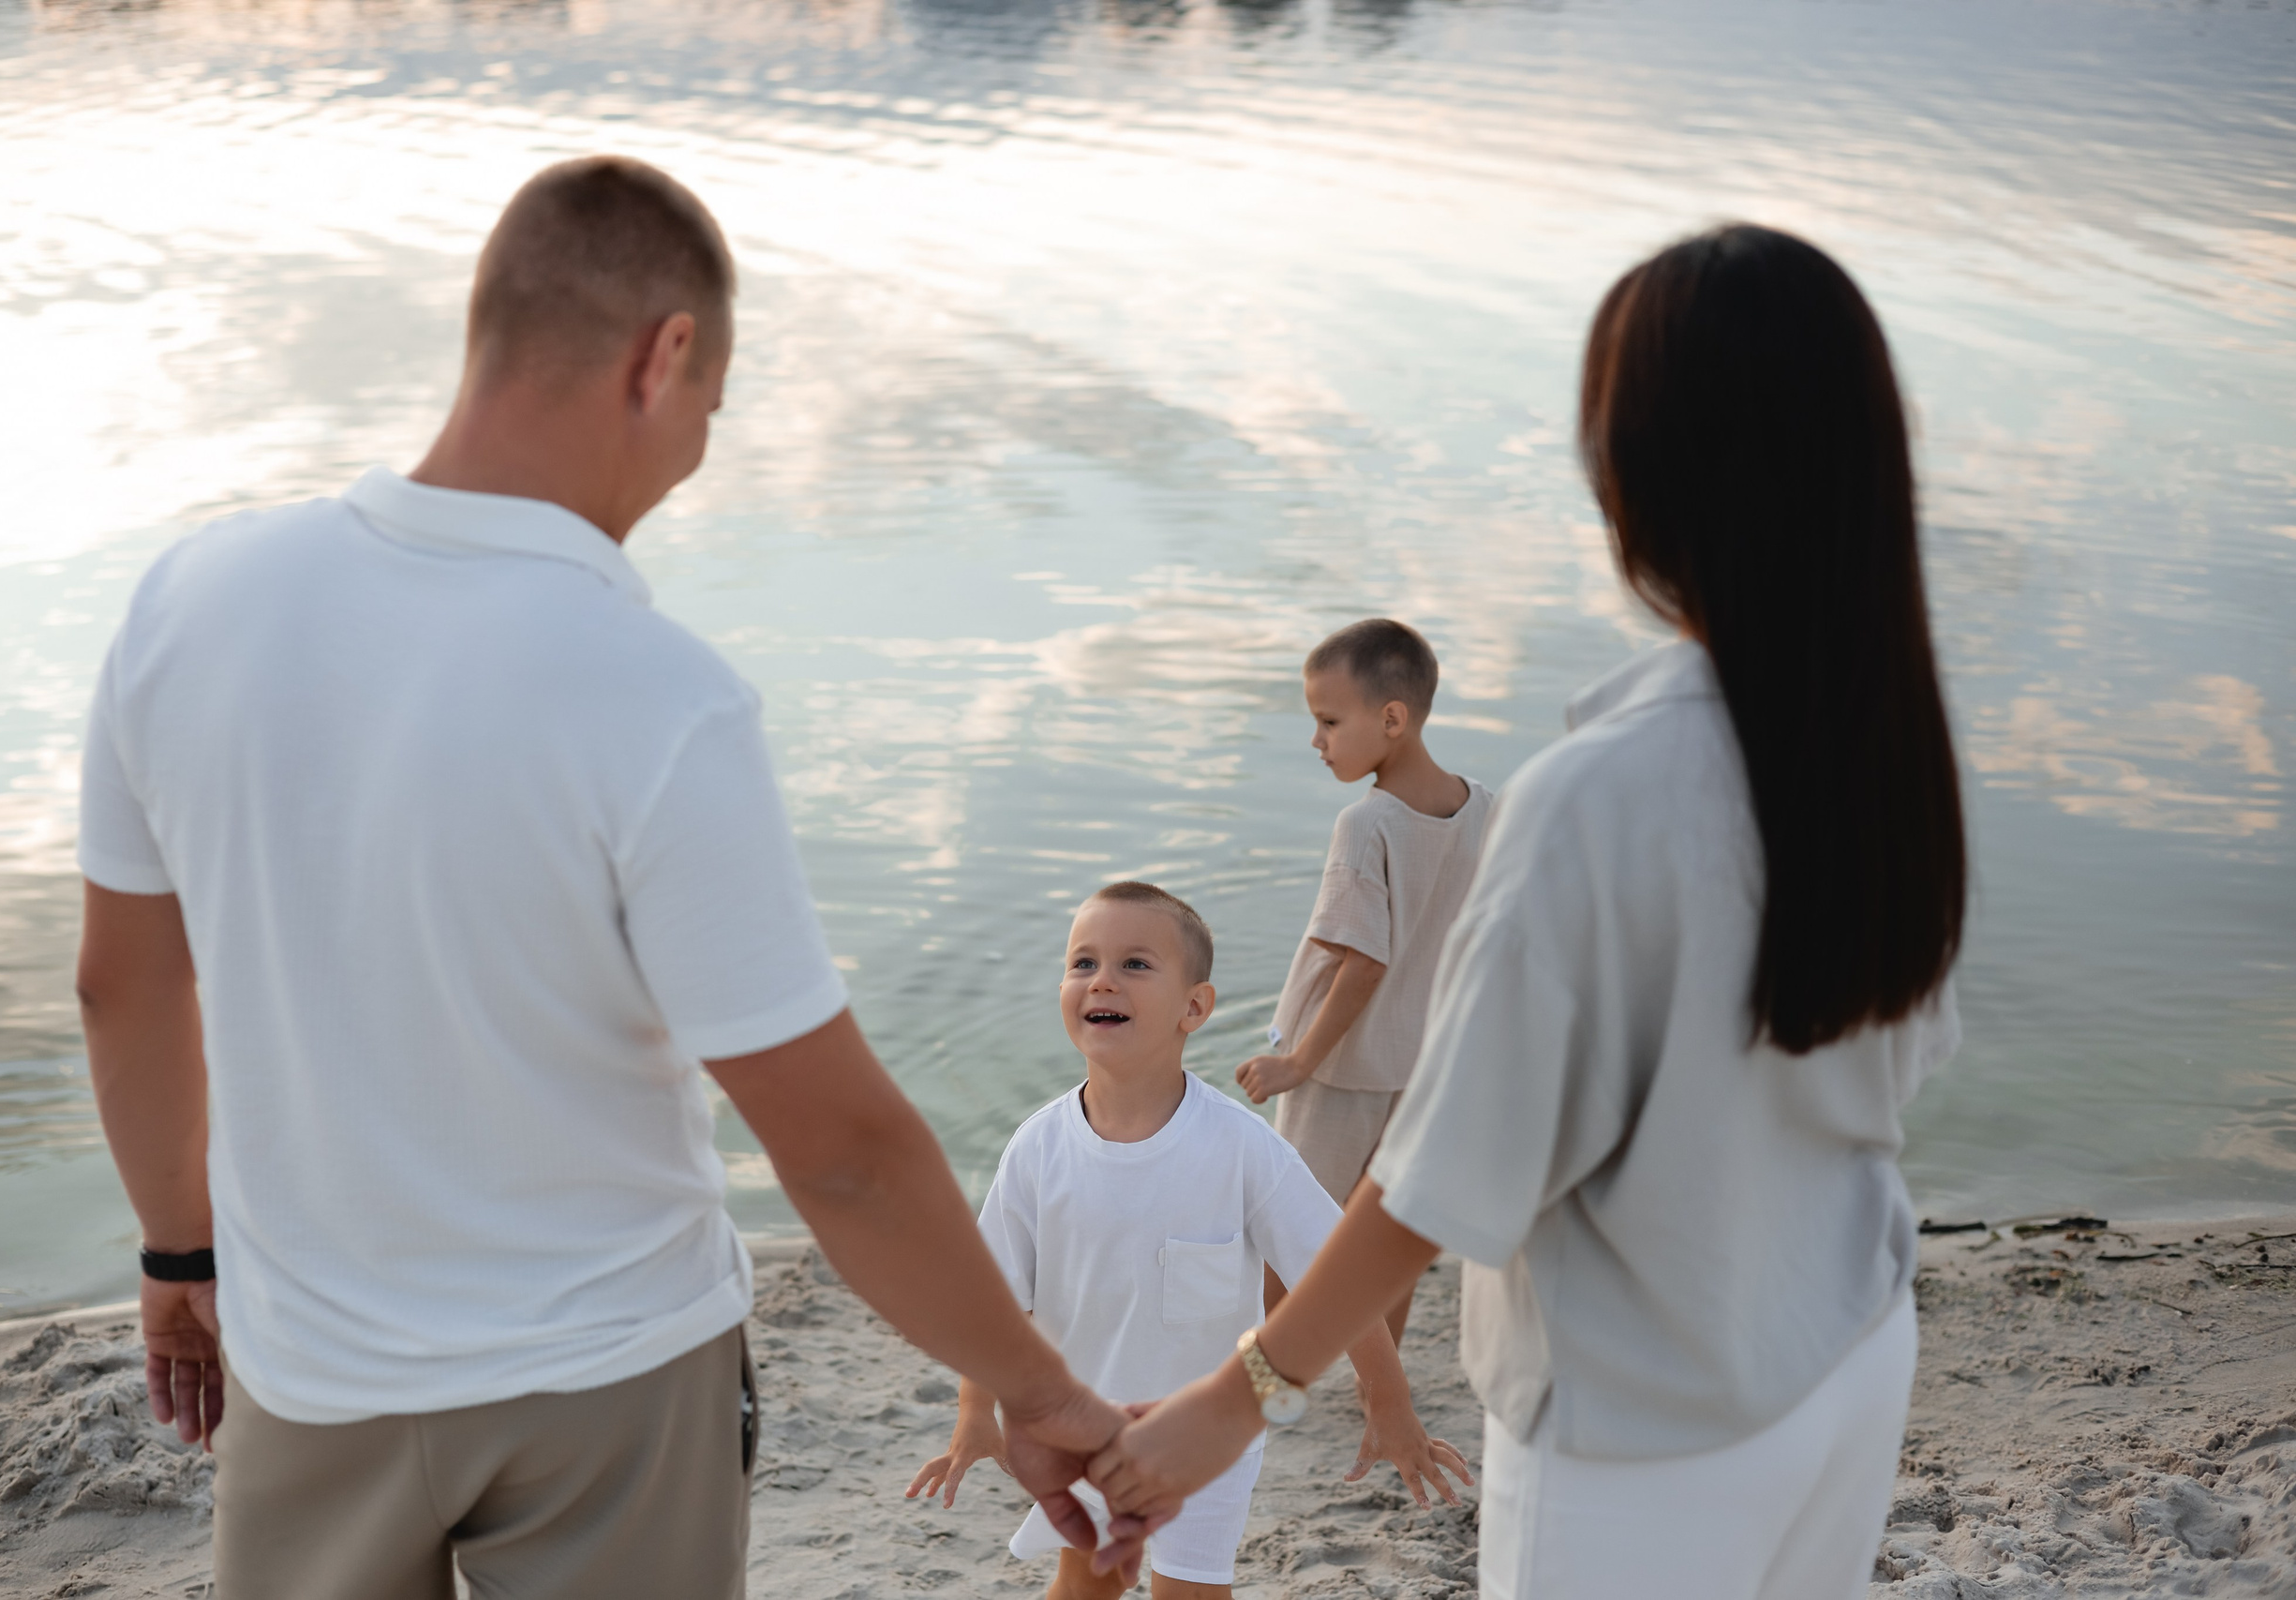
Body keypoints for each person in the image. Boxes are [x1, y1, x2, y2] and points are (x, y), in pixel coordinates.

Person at [74, 156, 1144, 1600]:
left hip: (313, 1365)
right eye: (715, 401)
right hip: (610, 1377)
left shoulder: (186, 605)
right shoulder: (659, 697)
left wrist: (175, 1246)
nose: (702, 439)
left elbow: (125, 986)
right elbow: (834, 1142)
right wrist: (1030, 1381)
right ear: (669, 354)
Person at [1082, 222, 1969, 1600]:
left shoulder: (1602, 790)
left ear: (1639, 478)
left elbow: (1444, 1169)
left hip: (1645, 1418)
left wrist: (1242, 1387)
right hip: (1847, 1345)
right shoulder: (1888, 742)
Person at [904, 882, 1469, 1600]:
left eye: (1135, 964)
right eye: (1082, 963)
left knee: (1191, 1591)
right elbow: (992, 1300)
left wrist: (1386, 1396)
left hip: (1212, 1431)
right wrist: (973, 1413)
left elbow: (1336, 1272)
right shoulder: (1038, 1147)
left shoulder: (1239, 1146)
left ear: (1194, 1008)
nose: (1101, 979)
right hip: (1081, 1425)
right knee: (1088, 1580)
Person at [1233, 620, 1493, 1344]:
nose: (1317, 741)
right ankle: (1382, 1378)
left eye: (1327, 721)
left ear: (1391, 718)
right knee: (1391, 1226)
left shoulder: (1367, 824)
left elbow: (1363, 959)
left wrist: (1298, 1060)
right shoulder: (1485, 809)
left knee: (1291, 1223)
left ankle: (1256, 1384)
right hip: (1422, 1065)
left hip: (1343, 1067)